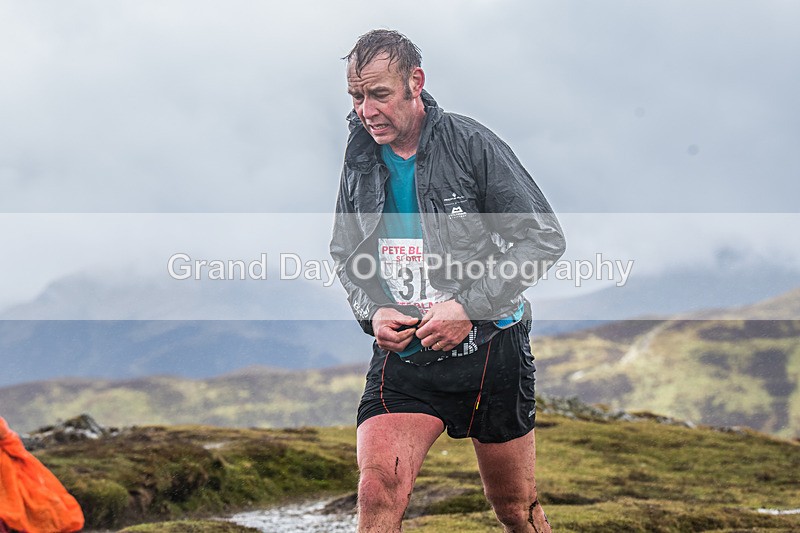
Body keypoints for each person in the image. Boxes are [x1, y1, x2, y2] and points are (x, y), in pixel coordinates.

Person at [330, 29, 565, 532]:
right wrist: (372, 311)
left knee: (516, 510)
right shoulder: (359, 158)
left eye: (378, 94)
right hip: (407, 360)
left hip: (492, 352)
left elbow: (542, 239)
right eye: (355, 96)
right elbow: (347, 254)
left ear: (415, 83)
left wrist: (468, 306)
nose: (366, 110)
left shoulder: (471, 143)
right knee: (377, 491)